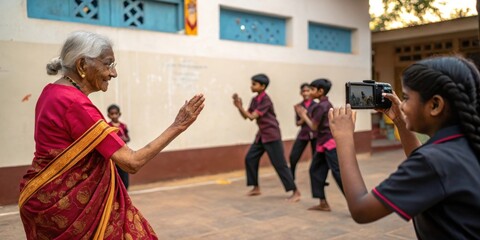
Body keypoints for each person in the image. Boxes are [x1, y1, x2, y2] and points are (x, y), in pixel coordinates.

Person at [18, 31, 205, 239]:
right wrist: (178, 126)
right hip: (68, 207)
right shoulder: (75, 104)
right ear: (82, 66)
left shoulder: (51, 92)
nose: (113, 73)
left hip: (43, 198)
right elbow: (131, 162)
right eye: (108, 64)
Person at [328, 56, 480, 239]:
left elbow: (361, 209)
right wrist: (399, 120)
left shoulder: (434, 161)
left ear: (435, 105)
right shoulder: (463, 143)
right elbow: (422, 158)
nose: (403, 106)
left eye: (406, 98)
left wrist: (344, 138)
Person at [232, 73, 301, 202]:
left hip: (271, 135)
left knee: (279, 164)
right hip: (261, 135)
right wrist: (238, 107)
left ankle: (295, 191)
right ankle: (256, 187)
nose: (251, 86)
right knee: (250, 158)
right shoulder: (255, 100)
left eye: (254, 84)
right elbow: (247, 117)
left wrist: (240, 107)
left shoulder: (266, 100)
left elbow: (253, 116)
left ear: (262, 86)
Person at [295, 79, 343, 211]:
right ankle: (323, 203)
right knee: (315, 170)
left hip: (328, 143)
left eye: (312, 89)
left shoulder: (320, 106)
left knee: (337, 173)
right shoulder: (327, 104)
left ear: (320, 91)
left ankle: (356, 203)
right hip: (323, 144)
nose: (309, 92)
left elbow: (314, 127)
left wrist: (303, 115)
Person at [289, 83, 317, 179]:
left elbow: (316, 122)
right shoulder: (298, 106)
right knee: (293, 156)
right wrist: (302, 117)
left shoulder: (316, 105)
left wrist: (305, 115)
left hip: (315, 134)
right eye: (303, 91)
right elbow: (297, 123)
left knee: (316, 158)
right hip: (304, 133)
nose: (305, 93)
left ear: (311, 92)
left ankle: (318, 179)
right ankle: (291, 178)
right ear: (301, 93)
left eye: (307, 90)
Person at [107, 104, 131, 189]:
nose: (114, 115)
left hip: (124, 154)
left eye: (115, 113)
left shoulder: (123, 126)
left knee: (124, 174)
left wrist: (124, 139)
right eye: (112, 114)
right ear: (108, 115)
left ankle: (125, 189)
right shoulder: (107, 126)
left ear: (119, 114)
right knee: (114, 174)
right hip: (113, 155)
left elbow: (128, 138)